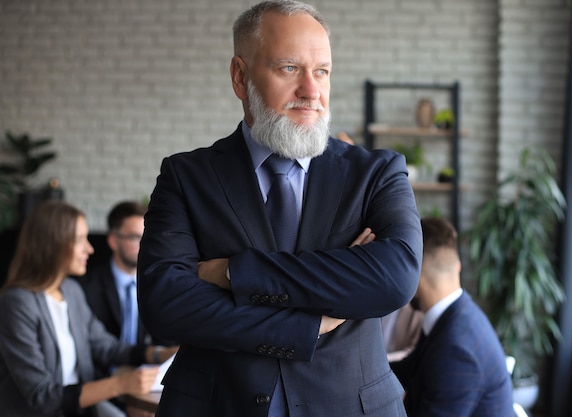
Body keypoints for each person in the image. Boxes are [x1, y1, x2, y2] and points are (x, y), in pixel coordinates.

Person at [137, 1, 422, 416]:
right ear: (240, 76)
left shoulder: (376, 173)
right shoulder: (186, 177)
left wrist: (235, 273)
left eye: (321, 71)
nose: (311, 91)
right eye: (289, 68)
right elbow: (165, 306)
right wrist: (309, 322)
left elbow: (395, 279)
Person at [0, 201, 161, 417]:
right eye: (79, 240)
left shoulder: (71, 291)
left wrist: (158, 353)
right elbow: (42, 396)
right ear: (53, 244)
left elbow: (106, 347)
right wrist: (121, 384)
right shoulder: (17, 303)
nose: (90, 248)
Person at [390, 217, 515, 417]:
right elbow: (410, 368)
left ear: (413, 273)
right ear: (457, 266)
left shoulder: (456, 347)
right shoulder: (455, 314)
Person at [77, 201, 178, 380]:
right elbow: (89, 350)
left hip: (147, 378)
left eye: (148, 237)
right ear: (113, 241)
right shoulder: (86, 287)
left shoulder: (159, 285)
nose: (145, 245)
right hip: (101, 382)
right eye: (134, 237)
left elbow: (166, 338)